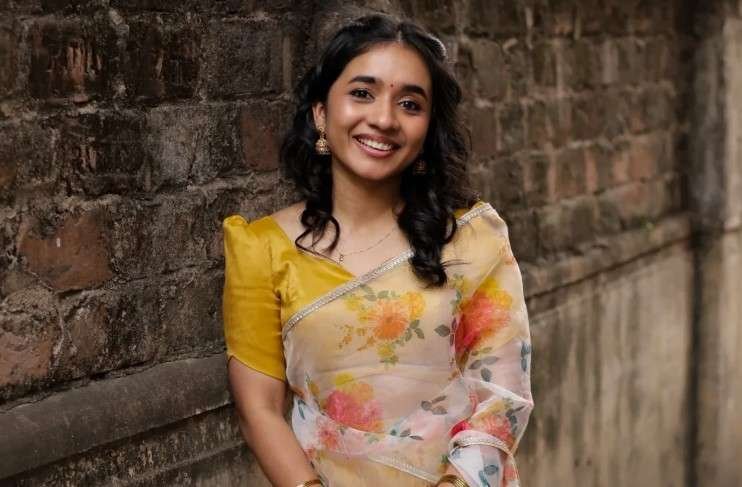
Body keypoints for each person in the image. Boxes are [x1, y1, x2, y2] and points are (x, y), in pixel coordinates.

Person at [222, 14, 533, 487]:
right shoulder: (263, 248)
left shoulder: (472, 240)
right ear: (321, 113)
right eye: (362, 93)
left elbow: (502, 396)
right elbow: (258, 409)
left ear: (428, 128)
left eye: (409, 104)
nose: (384, 119)